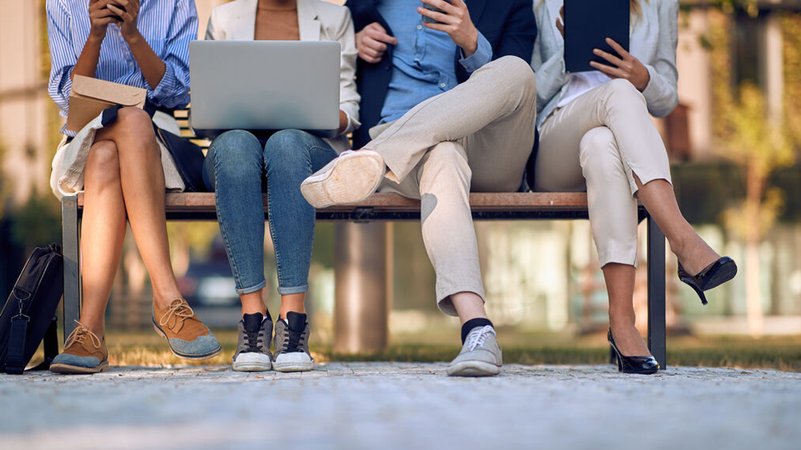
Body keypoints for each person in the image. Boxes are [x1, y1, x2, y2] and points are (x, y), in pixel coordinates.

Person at [300, 0, 538, 377]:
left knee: (516, 70)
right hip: (412, 159)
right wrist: (354, 43)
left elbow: (515, 88)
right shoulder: (367, 3)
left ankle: (372, 159)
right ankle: (478, 328)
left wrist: (473, 42)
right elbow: (329, 57)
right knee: (442, 154)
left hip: (486, 149)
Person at [530, 0, 736, 374]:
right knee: (620, 94)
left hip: (617, 145)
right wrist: (565, 47)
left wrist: (643, 78)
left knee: (601, 143)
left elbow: (667, 96)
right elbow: (528, 92)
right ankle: (685, 243)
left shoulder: (660, 4)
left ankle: (622, 323)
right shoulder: (543, 2)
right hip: (558, 138)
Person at [45, 0, 221, 374]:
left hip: (156, 141)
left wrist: (133, 36)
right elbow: (64, 94)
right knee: (116, 137)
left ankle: (89, 330)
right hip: (86, 132)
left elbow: (178, 90)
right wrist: (95, 36)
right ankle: (168, 300)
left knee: (119, 143)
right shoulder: (64, 2)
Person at [202, 0, 360, 372]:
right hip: (236, 151)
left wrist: (318, 111)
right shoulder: (225, 19)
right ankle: (253, 320)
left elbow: (349, 106)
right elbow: (206, 109)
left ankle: (293, 319)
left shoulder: (335, 18)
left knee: (285, 143)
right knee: (238, 145)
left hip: (306, 150)